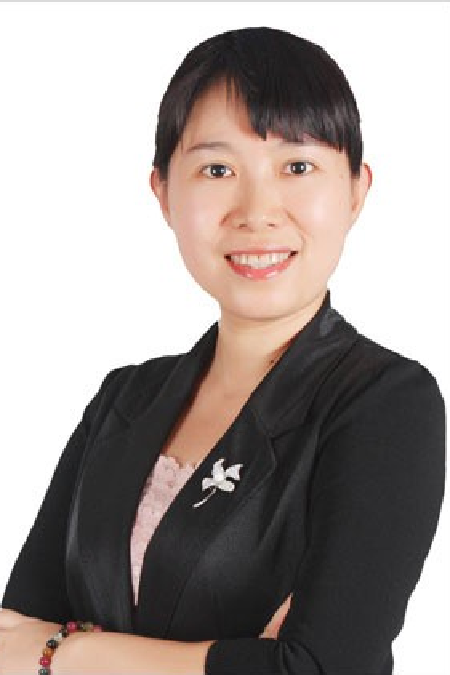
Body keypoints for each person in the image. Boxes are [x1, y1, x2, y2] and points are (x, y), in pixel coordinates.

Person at [0, 25, 445, 675]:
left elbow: (319, 667)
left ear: (356, 189)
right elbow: (10, 634)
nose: (257, 211)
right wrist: (238, 658)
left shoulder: (385, 402)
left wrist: (64, 651)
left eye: (297, 166)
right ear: (163, 192)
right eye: (217, 169)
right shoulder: (123, 399)